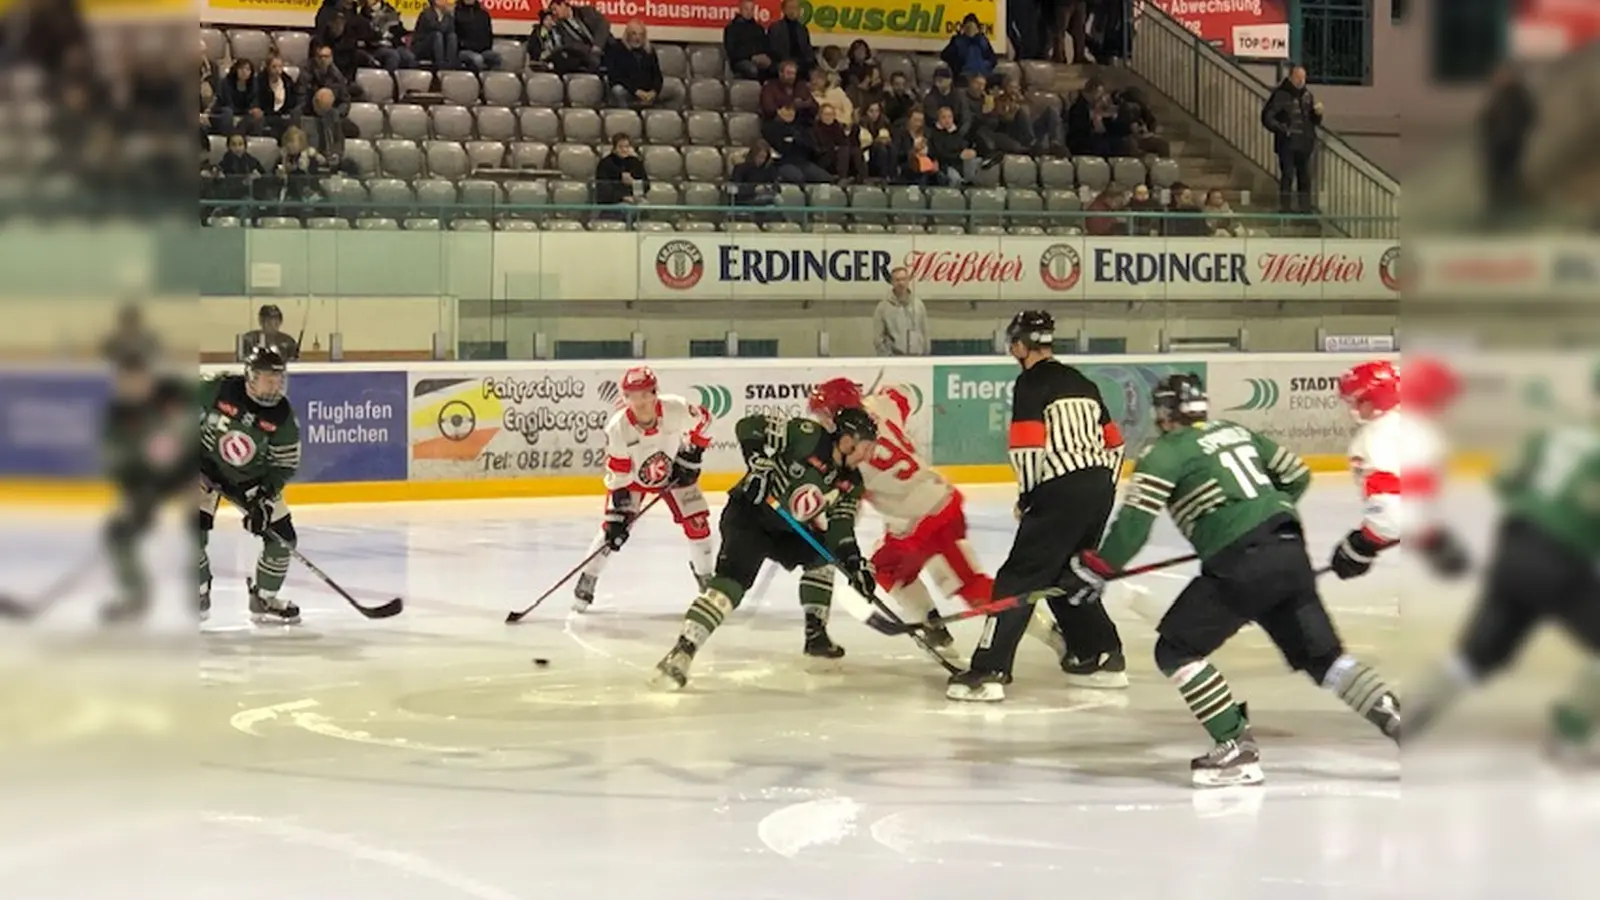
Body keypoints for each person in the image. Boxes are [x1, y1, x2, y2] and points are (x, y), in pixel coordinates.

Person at [1054, 374, 1401, 786]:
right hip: (1289, 551)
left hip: (1241, 562)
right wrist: (1257, 510)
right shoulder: (1236, 431)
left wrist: (1095, 569)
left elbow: (1133, 526)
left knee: (1177, 648)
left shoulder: (1163, 453)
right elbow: (1297, 476)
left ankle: (1235, 747)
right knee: (1328, 661)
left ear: (1164, 413)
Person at [1406, 373, 1600, 760]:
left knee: (1475, 657)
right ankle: (1571, 733)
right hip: (1562, 559)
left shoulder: (1557, 435)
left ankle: (1407, 716)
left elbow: (1505, 482)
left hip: (1514, 552)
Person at [807, 380, 1066, 654]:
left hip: (924, 521)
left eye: (824, 415)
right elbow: (911, 392)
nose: (820, 423)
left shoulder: (845, 453)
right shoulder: (881, 405)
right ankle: (933, 626)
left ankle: (1049, 633)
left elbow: (846, 508)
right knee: (888, 568)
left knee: (971, 588)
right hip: (935, 506)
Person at [947, 310, 1128, 702]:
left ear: (1018, 345)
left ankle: (989, 669)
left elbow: (1027, 446)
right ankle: (1101, 654)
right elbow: (1116, 445)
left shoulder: (1030, 383)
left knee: (1018, 578)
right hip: (1099, 487)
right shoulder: (1083, 382)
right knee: (1069, 574)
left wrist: (1030, 496)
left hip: (1059, 489)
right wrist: (1100, 486)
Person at [650, 407, 879, 689]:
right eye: (866, 447)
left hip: (787, 529)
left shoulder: (851, 483)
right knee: (730, 587)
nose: (869, 456)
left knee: (823, 555)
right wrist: (757, 461)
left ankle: (816, 635)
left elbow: (839, 529)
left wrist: (855, 564)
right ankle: (682, 652)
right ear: (847, 441)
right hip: (749, 515)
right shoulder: (807, 436)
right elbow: (749, 426)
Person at [573, 366, 714, 613]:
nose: (639, 402)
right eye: (631, 396)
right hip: (632, 482)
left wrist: (692, 453)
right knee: (610, 533)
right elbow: (618, 472)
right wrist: (619, 513)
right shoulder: (617, 428)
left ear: (654, 392)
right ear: (625, 398)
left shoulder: (676, 408)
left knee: (699, 524)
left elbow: (704, 419)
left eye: (644, 394)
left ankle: (705, 578)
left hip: (673, 476)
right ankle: (588, 577)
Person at [1327, 360, 1465, 584]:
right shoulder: (1418, 427)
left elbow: (1391, 516)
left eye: (1358, 401)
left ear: (1376, 398)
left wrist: (1362, 545)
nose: (1353, 409)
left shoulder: (1371, 440)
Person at [198, 347, 304, 625]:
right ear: (250, 377)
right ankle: (198, 591)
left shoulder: (283, 417)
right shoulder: (219, 389)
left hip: (251, 482)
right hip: (204, 469)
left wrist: (263, 497)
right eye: (269, 378)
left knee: (283, 539)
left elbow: (284, 465)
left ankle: (265, 598)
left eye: (279, 378)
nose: (276, 384)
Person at [99, 345, 193, 623]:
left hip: (189, 474)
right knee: (118, 532)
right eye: (126, 380)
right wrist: (132, 496)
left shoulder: (174, 394)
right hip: (146, 485)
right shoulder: (118, 414)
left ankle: (197, 589)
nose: (132, 385)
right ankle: (135, 595)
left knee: (197, 523)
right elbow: (117, 462)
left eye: (138, 378)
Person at [1260, 64, 1323, 214]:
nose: (1301, 80)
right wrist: (1282, 129)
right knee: (1288, 175)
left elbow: (1312, 121)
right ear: (1291, 77)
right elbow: (1267, 117)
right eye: (1298, 77)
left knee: (1305, 176)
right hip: (1287, 142)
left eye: (1303, 77)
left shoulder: (1308, 95)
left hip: (1304, 142)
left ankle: (1305, 207)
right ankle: (1286, 207)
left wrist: (1318, 114)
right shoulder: (1281, 94)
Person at [761, 100, 831, 184]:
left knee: (825, 179)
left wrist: (795, 140)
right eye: (787, 109)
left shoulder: (800, 128)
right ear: (779, 110)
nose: (790, 113)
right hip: (783, 163)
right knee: (798, 177)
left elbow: (809, 145)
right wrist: (795, 141)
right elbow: (781, 147)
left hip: (803, 162)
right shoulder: (769, 127)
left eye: (793, 110)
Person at [603, 19, 665, 109]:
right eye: (634, 34)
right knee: (618, 90)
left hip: (647, 90)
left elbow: (657, 75)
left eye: (641, 34)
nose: (637, 38)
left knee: (677, 90)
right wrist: (636, 91)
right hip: (629, 90)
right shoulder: (617, 49)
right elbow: (615, 77)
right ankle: (627, 117)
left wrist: (654, 91)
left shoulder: (649, 51)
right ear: (627, 35)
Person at [873, 266, 929, 356]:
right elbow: (878, 339)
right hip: (894, 360)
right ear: (892, 282)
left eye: (903, 279)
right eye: (897, 280)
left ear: (908, 281)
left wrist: (925, 356)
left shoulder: (918, 305)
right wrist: (888, 357)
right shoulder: (883, 307)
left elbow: (924, 332)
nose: (901, 283)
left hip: (917, 359)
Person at [594, 133, 648, 210]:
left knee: (646, 207)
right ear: (614, 148)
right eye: (621, 147)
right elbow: (603, 189)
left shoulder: (636, 163)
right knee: (627, 209)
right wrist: (623, 197)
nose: (624, 150)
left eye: (627, 146)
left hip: (635, 200)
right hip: (613, 203)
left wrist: (633, 183)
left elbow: (646, 185)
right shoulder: (605, 164)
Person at [927, 105, 976, 187]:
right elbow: (940, 154)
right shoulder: (935, 134)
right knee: (954, 177)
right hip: (944, 165)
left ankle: (969, 184)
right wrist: (959, 155)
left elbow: (962, 147)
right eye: (944, 117)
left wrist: (968, 152)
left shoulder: (956, 134)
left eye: (949, 117)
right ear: (938, 119)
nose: (947, 120)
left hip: (959, 164)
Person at [813, 103, 864, 182]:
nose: (829, 117)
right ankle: (842, 178)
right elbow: (819, 146)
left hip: (838, 154)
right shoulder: (816, 128)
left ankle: (862, 178)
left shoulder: (838, 127)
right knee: (843, 150)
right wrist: (834, 147)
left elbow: (844, 142)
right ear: (820, 115)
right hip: (823, 156)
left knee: (855, 150)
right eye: (826, 114)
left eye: (831, 114)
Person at [724, 0, 774, 80]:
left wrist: (764, 56)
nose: (749, 12)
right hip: (740, 61)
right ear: (740, 10)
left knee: (775, 68)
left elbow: (765, 45)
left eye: (751, 9)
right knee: (752, 70)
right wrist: (751, 57)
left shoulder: (758, 28)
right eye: (746, 9)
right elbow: (732, 51)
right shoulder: (731, 28)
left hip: (759, 59)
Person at [940, 13, 997, 82]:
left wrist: (986, 65)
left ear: (977, 29)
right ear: (964, 28)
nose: (971, 30)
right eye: (968, 27)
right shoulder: (958, 41)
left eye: (973, 27)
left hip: (983, 74)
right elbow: (945, 55)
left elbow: (993, 59)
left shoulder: (983, 40)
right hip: (964, 75)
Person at [767, 0, 816, 79]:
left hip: (800, 64)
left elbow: (807, 48)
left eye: (795, 8)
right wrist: (787, 62)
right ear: (784, 10)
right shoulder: (776, 28)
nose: (793, 11)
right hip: (783, 62)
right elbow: (773, 50)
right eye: (790, 8)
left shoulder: (802, 29)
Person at [454, 0, 504, 72]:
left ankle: (489, 80)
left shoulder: (483, 14)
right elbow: (454, 36)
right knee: (477, 59)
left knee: (497, 58)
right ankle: (477, 81)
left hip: (482, 50)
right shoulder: (456, 13)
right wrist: (464, 44)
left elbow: (489, 34)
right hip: (464, 50)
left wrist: (486, 46)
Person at [413, 0, 459, 71]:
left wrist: (450, 15)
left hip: (442, 47)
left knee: (452, 36)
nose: (447, 2)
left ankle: (450, 66)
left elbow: (451, 30)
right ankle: (440, 66)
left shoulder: (448, 15)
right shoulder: (427, 13)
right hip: (423, 47)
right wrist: (447, 16)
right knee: (437, 35)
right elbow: (439, 28)